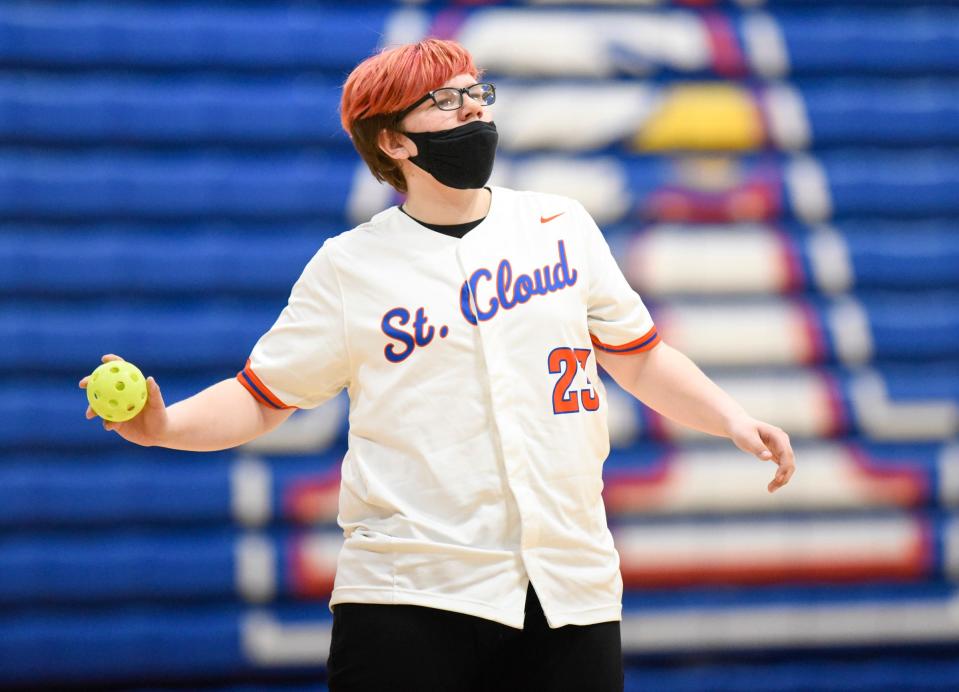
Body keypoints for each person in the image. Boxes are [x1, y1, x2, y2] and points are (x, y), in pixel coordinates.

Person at [79, 38, 795, 692]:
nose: (473, 111)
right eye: (445, 100)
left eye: (477, 93)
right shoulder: (349, 267)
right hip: (409, 592)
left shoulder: (560, 227)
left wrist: (729, 418)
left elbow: (639, 359)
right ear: (392, 140)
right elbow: (263, 396)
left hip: (568, 585)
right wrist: (163, 425)